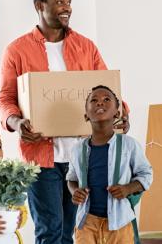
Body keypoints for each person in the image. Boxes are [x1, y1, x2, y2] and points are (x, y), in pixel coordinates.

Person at [0, 0, 129, 244]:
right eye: (59, 2)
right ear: (39, 6)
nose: (66, 7)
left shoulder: (86, 46)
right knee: (50, 230)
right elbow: (5, 99)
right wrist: (17, 121)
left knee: (73, 227)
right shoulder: (17, 50)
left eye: (68, 2)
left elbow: (109, 90)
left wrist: (123, 112)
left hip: (83, 156)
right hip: (40, 157)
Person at [66, 85, 153, 244]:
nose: (100, 103)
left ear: (117, 113)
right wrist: (74, 191)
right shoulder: (78, 149)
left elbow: (146, 175)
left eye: (106, 99)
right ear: (86, 115)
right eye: (94, 100)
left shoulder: (129, 145)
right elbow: (71, 178)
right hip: (86, 223)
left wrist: (128, 189)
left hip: (120, 222)